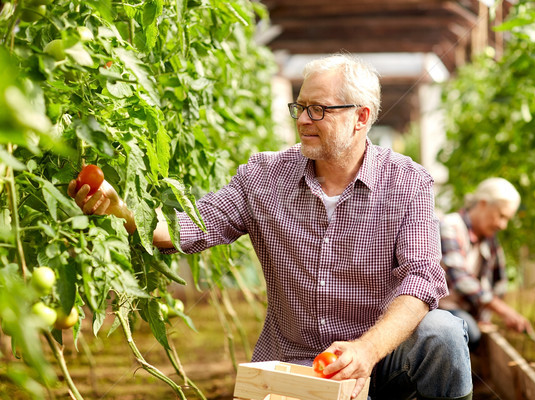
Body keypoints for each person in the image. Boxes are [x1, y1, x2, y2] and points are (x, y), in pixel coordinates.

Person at [68, 53, 472, 400]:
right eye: (300, 108)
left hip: (380, 359)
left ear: (361, 118)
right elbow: (190, 227)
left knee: (444, 333)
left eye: (319, 109)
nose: (303, 121)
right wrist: (121, 209)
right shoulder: (264, 176)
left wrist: (366, 351)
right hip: (293, 362)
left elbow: (421, 279)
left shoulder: (407, 181)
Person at [438, 177, 531, 350]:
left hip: (465, 311)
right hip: (441, 309)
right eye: (501, 216)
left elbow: (499, 282)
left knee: (474, 331)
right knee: (470, 332)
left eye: (507, 219)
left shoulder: (490, 241)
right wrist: (504, 311)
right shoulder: (450, 226)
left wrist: (485, 317)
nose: (503, 225)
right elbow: (461, 280)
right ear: (482, 204)